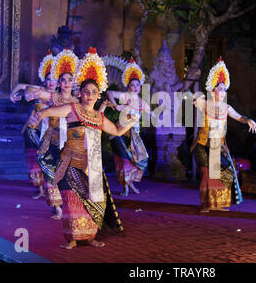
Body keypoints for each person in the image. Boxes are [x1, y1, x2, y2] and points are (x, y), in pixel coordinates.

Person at [28, 47, 137, 249]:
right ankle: (72, 239)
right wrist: (37, 117)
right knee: (71, 200)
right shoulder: (72, 109)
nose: (89, 95)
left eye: (93, 92)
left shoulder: (99, 117)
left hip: (92, 167)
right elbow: (49, 111)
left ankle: (91, 237)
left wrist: (129, 122)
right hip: (70, 162)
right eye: (86, 92)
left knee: (95, 202)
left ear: (98, 95)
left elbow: (117, 131)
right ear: (81, 93)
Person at [11, 48, 80, 219]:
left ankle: (68, 202)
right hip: (51, 140)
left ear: (73, 82)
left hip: (70, 142)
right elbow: (35, 92)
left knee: (68, 175)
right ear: (59, 82)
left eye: (69, 80)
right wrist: (25, 95)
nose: (66, 83)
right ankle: (56, 206)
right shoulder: (53, 97)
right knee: (50, 173)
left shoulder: (77, 100)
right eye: (62, 80)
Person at [191, 57, 256, 213]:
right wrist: (196, 78)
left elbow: (239, 117)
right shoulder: (205, 104)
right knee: (206, 175)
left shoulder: (227, 107)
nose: (222, 92)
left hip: (218, 146)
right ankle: (205, 204)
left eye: (224, 89)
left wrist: (248, 120)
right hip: (202, 145)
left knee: (224, 173)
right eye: (219, 88)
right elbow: (195, 96)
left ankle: (219, 203)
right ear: (212, 90)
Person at [106, 59, 151, 196]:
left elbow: (152, 113)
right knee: (124, 159)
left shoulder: (142, 103)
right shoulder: (125, 97)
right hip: (120, 132)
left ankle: (129, 184)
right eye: (132, 85)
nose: (135, 87)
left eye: (137, 85)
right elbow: (109, 93)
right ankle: (126, 187)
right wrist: (116, 105)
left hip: (134, 136)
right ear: (128, 87)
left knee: (139, 159)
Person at [16, 52, 57, 200]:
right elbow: (21, 87)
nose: (51, 82)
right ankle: (40, 189)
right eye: (48, 80)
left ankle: (51, 190)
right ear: (44, 81)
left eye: (54, 80)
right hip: (35, 130)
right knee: (35, 160)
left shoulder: (60, 97)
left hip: (52, 133)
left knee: (49, 160)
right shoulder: (39, 92)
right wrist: (12, 95)